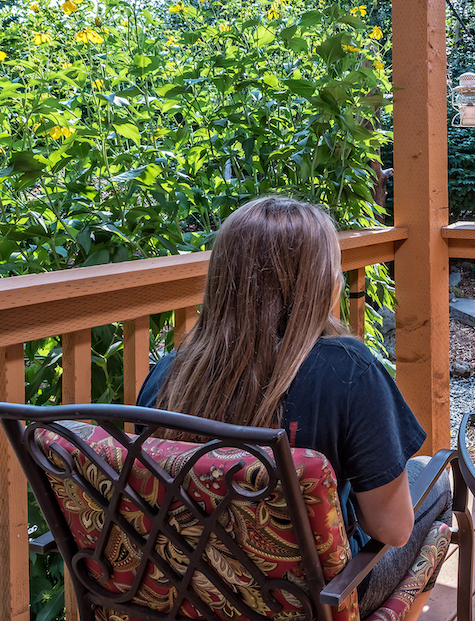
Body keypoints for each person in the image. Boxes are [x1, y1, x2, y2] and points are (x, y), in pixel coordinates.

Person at [137, 196, 451, 620]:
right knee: (437, 484)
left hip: (193, 594)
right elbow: (392, 530)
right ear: (321, 284)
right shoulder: (349, 371)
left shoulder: (169, 375)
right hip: (315, 602)